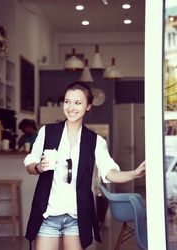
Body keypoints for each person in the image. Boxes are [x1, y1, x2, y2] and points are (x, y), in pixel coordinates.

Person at [24, 81, 145, 250]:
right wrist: (38, 167)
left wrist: (135, 174)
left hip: (77, 215)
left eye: (78, 103)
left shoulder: (95, 141)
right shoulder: (47, 132)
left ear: (88, 106)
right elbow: (30, 164)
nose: (71, 107)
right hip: (47, 214)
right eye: (67, 101)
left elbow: (110, 173)